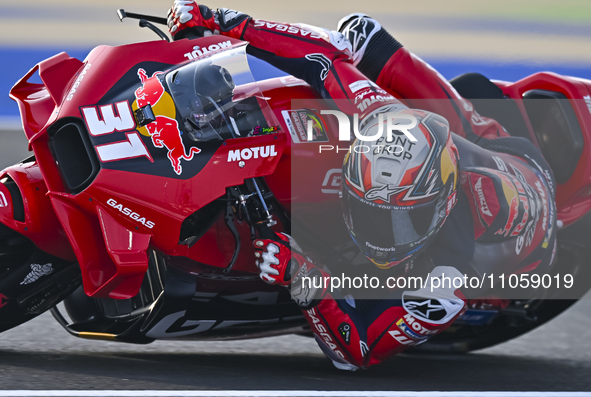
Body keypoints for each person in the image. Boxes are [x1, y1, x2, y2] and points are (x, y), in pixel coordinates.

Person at [167, 1, 558, 370]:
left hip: (519, 228)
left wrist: (300, 276)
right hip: (477, 155)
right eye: (368, 209)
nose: (380, 234)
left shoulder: (445, 282)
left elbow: (357, 353)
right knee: (360, 33)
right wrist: (221, 20)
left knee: (387, 291)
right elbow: (323, 58)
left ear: (440, 207)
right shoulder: (383, 115)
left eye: (401, 220)